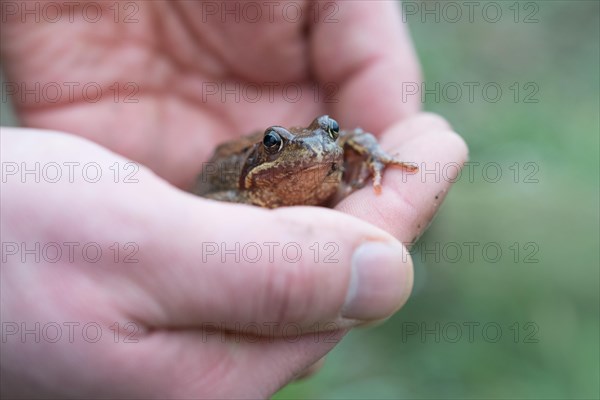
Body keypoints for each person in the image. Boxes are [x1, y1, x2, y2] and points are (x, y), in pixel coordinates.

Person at [0, 2, 467, 398]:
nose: (319, 146)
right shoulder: (241, 192)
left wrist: (378, 158)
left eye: (326, 134)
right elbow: (200, 214)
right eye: (280, 143)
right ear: (267, 152)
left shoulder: (333, 146)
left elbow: (353, 134)